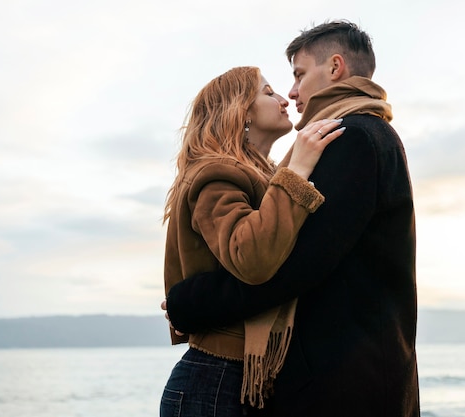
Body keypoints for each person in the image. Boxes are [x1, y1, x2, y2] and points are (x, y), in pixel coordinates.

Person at [164, 20, 420, 417]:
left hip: (345, 380)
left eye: (298, 75)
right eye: (273, 89)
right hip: (247, 376)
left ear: (335, 68)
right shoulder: (334, 142)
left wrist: (191, 302)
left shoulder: (349, 136)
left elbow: (293, 266)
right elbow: (274, 259)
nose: (291, 93)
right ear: (240, 112)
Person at [160, 65, 345, 417]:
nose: (283, 99)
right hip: (215, 380)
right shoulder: (216, 173)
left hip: (243, 377)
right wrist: (297, 172)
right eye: (268, 92)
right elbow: (253, 258)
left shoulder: (259, 175)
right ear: (241, 110)